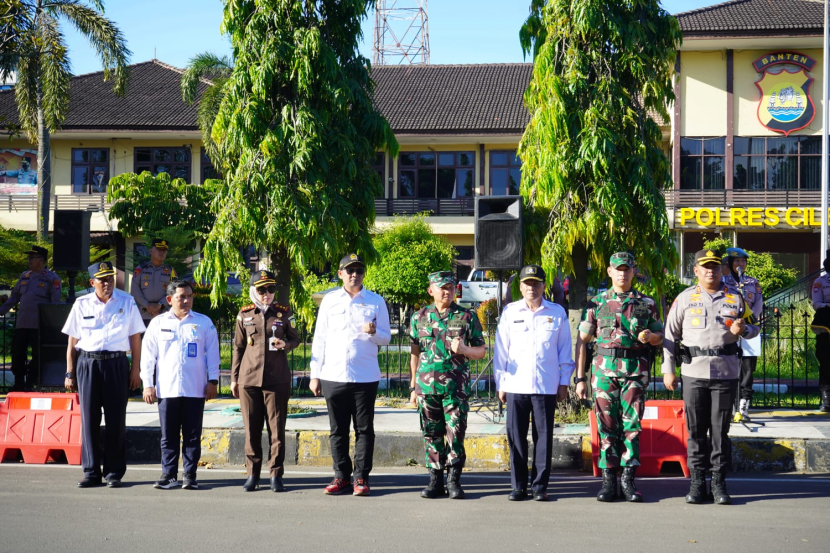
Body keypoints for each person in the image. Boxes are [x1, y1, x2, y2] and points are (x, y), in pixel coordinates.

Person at [663, 249, 760, 505]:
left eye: (715, 266)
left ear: (721, 269)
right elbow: (669, 336)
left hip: (726, 373)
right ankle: (697, 483)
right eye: (705, 267)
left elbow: (754, 326)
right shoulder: (684, 299)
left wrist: (744, 329)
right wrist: (667, 370)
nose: (711, 271)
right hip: (693, 372)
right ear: (696, 270)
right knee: (695, 431)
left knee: (720, 432)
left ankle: (718, 483)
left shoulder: (735, 298)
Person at [574, 252, 664, 503]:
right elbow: (582, 342)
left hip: (634, 371)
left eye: (627, 269)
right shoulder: (596, 303)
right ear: (609, 271)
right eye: (618, 269)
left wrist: (649, 336)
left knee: (632, 426)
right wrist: (579, 378)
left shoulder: (646, 303)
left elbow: (660, 338)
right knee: (606, 426)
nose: (623, 273)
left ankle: (628, 480)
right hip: (603, 372)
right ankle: (608, 480)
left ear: (633, 272)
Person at [309, 254, 391, 496]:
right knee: (338, 430)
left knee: (364, 430)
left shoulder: (375, 301)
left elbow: (386, 337)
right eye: (350, 270)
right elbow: (319, 339)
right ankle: (341, 476)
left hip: (365, 376)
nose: (355, 274)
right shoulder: (330, 301)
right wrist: (315, 375)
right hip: (333, 374)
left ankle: (361, 479)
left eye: (359, 270)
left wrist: (375, 332)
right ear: (340, 273)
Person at [494, 265, 573, 502]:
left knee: (544, 437)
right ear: (520, 287)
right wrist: (501, 383)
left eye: (536, 283)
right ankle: (518, 486)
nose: (532, 288)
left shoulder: (557, 312)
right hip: (516, 385)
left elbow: (564, 351)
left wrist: (564, 382)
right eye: (527, 284)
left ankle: (539, 486)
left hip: (545, 386)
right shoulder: (510, 312)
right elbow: (501, 351)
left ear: (544, 286)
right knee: (516, 437)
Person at [62, 261, 145, 488]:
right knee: (89, 419)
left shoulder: (127, 302)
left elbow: (135, 339)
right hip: (88, 364)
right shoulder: (81, 304)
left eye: (110, 278)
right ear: (92, 283)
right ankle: (91, 471)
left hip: (116, 364)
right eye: (102, 280)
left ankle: (114, 472)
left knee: (116, 419)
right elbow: (72, 341)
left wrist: (135, 369)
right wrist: (69, 372)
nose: (107, 283)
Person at [409, 270, 486, 499]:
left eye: (451, 287)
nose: (447, 291)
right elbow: (415, 353)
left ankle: (454, 480)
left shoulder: (466, 317)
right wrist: (413, 387)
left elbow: (481, 351)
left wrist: (463, 350)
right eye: (442, 287)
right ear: (430, 290)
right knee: (431, 433)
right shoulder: (419, 317)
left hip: (455, 388)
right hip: (426, 387)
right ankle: (435, 480)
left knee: (456, 432)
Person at [140, 280, 220, 490]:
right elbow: (148, 357)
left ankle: (190, 475)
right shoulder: (158, 324)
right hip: (167, 389)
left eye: (189, 296)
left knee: (193, 435)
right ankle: (169, 475)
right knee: (169, 436)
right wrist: (148, 384)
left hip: (195, 388)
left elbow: (213, 354)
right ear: (169, 300)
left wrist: (213, 381)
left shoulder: (203, 323)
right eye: (181, 297)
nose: (186, 300)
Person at [231, 270, 300, 492]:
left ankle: (276, 475)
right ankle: (253, 474)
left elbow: (296, 338)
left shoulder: (284, 313)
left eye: (271, 289)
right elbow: (238, 348)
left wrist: (286, 345)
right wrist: (234, 379)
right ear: (253, 291)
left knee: (277, 430)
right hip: (249, 379)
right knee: (251, 430)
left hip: (276, 379)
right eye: (262, 290)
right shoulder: (244, 315)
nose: (267, 294)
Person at [0, 245, 61, 391]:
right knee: (17, 353)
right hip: (22, 323)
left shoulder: (52, 279)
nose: (29, 260)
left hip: (39, 325)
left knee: (38, 355)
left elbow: (55, 303)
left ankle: (32, 381)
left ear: (41, 260)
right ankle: (19, 382)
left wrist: (52, 326)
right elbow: (14, 298)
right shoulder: (24, 276)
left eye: (32, 258)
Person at [722, 247, 764, 418]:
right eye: (737, 261)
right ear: (730, 263)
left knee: (748, 367)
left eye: (743, 261)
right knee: (728, 364)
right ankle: (730, 405)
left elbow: (759, 304)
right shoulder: (723, 282)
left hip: (749, 327)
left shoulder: (752, 283)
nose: (740, 264)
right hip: (729, 328)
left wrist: (749, 319)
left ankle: (744, 404)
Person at [131, 238, 177, 324]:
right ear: (151, 251)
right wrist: (147, 305)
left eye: (164, 250)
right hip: (143, 315)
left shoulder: (171, 271)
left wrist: (160, 304)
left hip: (164, 314)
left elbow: (174, 290)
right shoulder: (141, 269)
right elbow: (135, 290)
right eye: (159, 249)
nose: (162, 252)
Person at [812, 250, 830, 412]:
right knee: (826, 362)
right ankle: (826, 399)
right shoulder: (821, 282)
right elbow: (817, 303)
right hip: (827, 325)